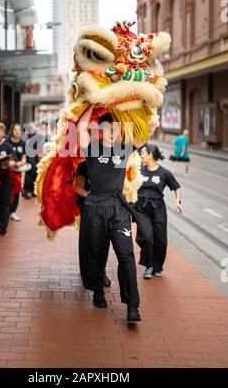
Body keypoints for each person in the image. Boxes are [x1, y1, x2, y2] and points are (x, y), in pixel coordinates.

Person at [78, 105, 142, 323]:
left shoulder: (124, 149)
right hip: (95, 208)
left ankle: (132, 306)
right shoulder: (92, 148)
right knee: (95, 253)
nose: (112, 131)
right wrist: (92, 102)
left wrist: (136, 107)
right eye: (108, 127)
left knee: (126, 256)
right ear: (101, 129)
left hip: (118, 209)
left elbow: (145, 132)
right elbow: (81, 128)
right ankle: (97, 291)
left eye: (116, 127)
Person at [132, 144, 182, 279]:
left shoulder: (165, 173)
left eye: (143, 153)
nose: (140, 155)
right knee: (147, 237)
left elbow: (177, 187)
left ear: (150, 155)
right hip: (141, 208)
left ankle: (157, 266)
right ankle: (149, 265)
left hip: (158, 208)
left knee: (161, 240)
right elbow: (130, 186)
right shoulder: (138, 171)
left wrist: (177, 201)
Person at [76, 160, 111, 288]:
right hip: (89, 207)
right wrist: (87, 195)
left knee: (104, 240)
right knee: (87, 240)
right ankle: (86, 271)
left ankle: (102, 271)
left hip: (107, 208)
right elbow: (78, 186)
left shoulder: (111, 162)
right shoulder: (84, 165)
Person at [6, 123, 26, 221]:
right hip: (7, 171)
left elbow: (23, 156)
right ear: (11, 131)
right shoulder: (7, 142)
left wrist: (21, 162)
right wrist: (12, 163)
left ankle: (13, 212)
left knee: (16, 192)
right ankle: (5, 211)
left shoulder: (23, 143)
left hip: (18, 172)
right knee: (7, 191)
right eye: (15, 130)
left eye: (19, 130)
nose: (17, 131)